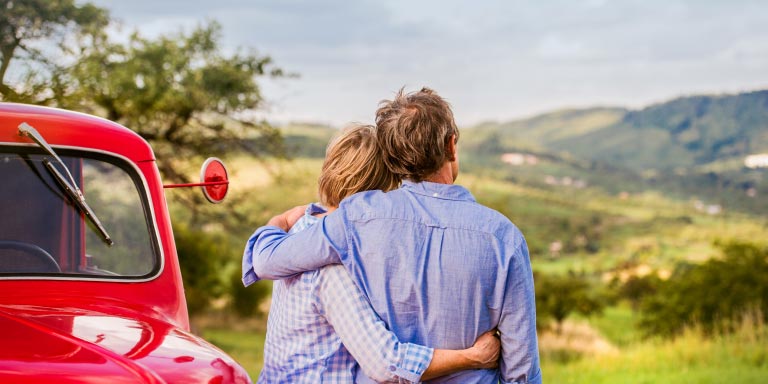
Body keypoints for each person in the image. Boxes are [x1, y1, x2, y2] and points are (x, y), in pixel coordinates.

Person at [247, 88, 542, 383]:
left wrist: (281, 221)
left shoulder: (357, 219)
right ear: (451, 145)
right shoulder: (504, 239)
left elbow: (267, 261)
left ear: (394, 158)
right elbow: (522, 370)